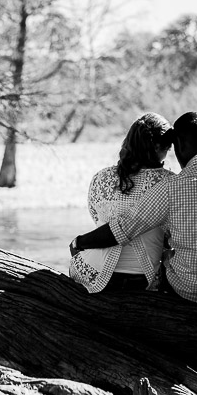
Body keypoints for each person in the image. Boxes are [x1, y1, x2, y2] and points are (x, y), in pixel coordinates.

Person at [70, 111, 197, 311]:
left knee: (169, 260)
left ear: (179, 143)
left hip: (193, 290)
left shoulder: (173, 187)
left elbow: (122, 228)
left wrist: (80, 242)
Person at [70, 112, 175, 293]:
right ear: (158, 146)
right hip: (143, 278)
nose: (167, 155)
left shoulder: (101, 177)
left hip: (93, 271)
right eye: (167, 148)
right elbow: (172, 234)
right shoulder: (170, 183)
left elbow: (97, 221)